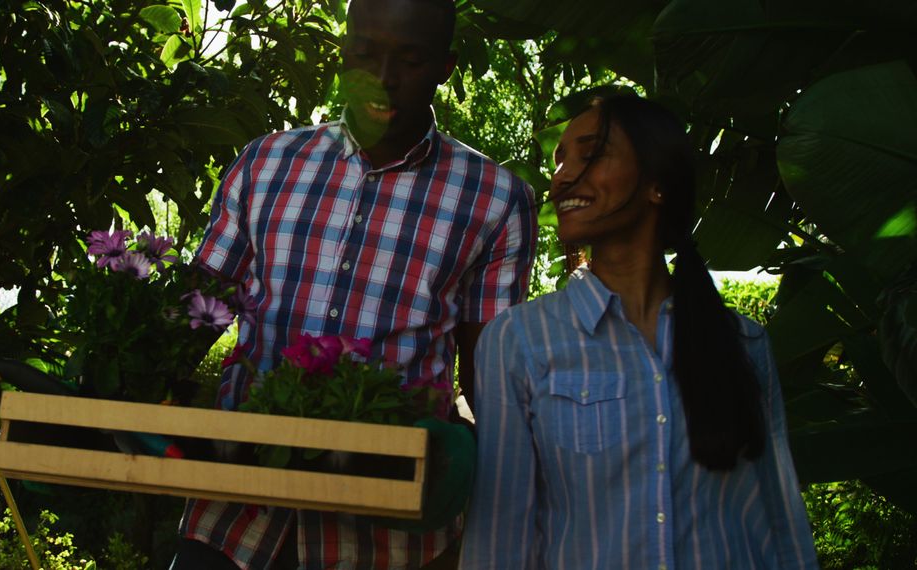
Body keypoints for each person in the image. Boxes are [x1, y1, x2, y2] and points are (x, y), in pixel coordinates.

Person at [171, 0, 538, 567]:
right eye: (366, 54)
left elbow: (487, 372)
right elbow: (193, 317)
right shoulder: (266, 163)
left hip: (390, 534)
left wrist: (499, 499)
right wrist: (114, 401)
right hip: (236, 512)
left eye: (410, 60)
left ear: (446, 65)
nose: (384, 79)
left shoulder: (494, 198)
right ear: (344, 53)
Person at [460, 95, 819, 569]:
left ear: (656, 183)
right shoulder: (520, 342)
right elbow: (500, 542)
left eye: (589, 154)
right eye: (560, 160)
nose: (562, 175)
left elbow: (780, 525)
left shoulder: (743, 345)